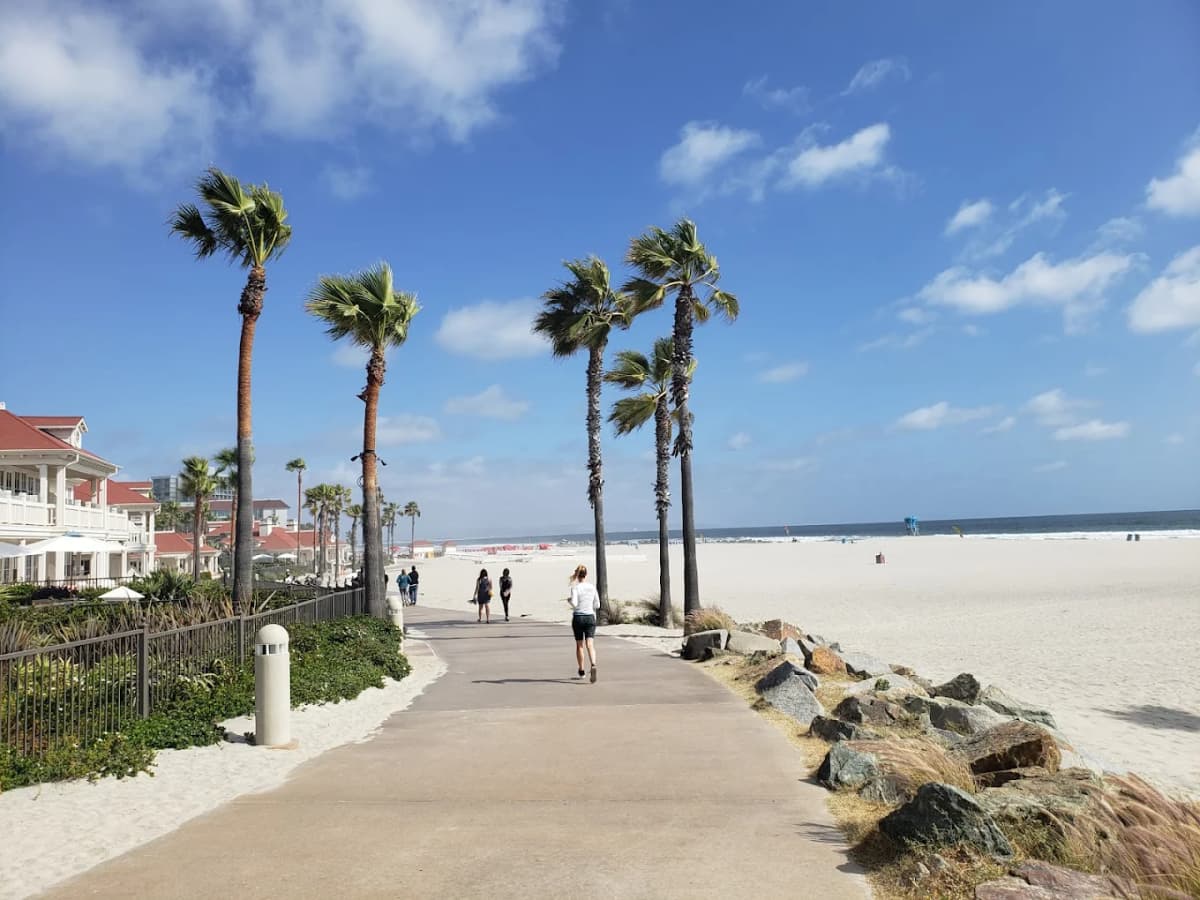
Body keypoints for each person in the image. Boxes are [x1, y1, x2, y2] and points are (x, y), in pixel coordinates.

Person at [566, 564, 600, 682]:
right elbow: (597, 605)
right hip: (590, 617)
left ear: (577, 575)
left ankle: (581, 670)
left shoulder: (575, 588)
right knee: (590, 644)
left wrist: (570, 601)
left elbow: (575, 604)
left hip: (578, 617)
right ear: (586, 575)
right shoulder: (592, 587)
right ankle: (593, 664)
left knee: (580, 645)